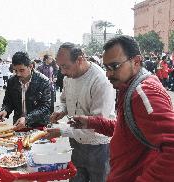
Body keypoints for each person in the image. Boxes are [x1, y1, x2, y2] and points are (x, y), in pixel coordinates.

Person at [70, 35, 174, 182]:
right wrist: (90, 122)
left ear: (136, 61)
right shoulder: (129, 88)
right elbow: (127, 130)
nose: (108, 74)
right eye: (106, 67)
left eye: (114, 66)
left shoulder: (143, 93)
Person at [45, 42, 116, 182]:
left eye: (65, 66)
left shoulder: (100, 81)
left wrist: (62, 130)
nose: (63, 72)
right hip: (75, 142)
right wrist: (61, 110)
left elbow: (98, 123)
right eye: (60, 67)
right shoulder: (68, 78)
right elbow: (64, 100)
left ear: (80, 59)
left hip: (98, 146)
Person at [0, 51, 51, 131]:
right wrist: (5, 110)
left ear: (31, 66)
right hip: (18, 125)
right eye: (15, 70)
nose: (18, 74)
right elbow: (8, 101)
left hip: (38, 126)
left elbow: (45, 107)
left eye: (21, 70)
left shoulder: (43, 81)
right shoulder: (12, 81)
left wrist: (27, 118)